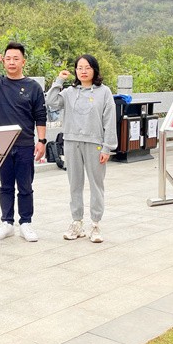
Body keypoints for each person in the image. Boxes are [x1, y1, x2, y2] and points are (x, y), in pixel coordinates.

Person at [0, 42, 47, 242]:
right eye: (8, 59)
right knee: (5, 185)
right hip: (2, 145)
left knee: (25, 186)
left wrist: (42, 141)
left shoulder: (33, 87)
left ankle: (26, 223)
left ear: (23, 62)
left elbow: (40, 115)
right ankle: (7, 222)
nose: (12, 62)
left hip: (25, 144)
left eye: (16, 59)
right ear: (3, 61)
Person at [45, 55, 117, 243]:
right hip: (71, 142)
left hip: (95, 143)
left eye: (87, 67)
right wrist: (59, 81)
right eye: (79, 68)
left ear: (94, 69)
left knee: (96, 184)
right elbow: (51, 102)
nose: (83, 71)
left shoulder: (104, 92)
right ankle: (77, 223)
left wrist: (107, 148)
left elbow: (110, 121)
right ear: (75, 71)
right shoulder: (69, 92)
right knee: (75, 184)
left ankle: (95, 224)